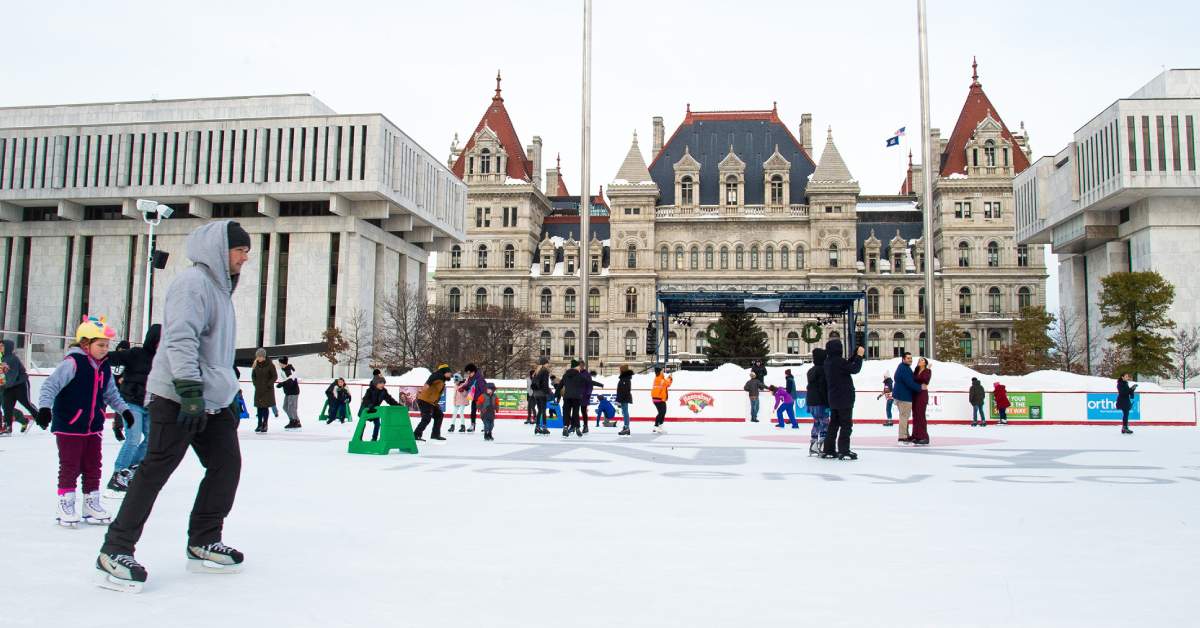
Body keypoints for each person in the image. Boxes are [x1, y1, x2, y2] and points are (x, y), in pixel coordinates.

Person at [99, 220, 252, 592]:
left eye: (247, 252)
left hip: (210, 399)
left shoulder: (220, 289)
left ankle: (203, 538)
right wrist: (189, 391)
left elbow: (215, 352)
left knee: (226, 464)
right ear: (219, 249)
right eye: (239, 251)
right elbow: (180, 339)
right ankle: (115, 548)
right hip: (177, 397)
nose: (244, 259)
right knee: (154, 470)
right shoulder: (193, 284)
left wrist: (225, 395)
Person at [36, 316, 134, 528]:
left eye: (107, 346)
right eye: (100, 345)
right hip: (70, 425)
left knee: (93, 466)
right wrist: (44, 408)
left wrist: (124, 411)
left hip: (93, 426)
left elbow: (110, 393)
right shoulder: (73, 363)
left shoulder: (104, 366)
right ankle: (66, 503)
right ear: (85, 344)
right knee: (70, 465)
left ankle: (91, 503)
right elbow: (49, 386)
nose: (105, 349)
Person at [103, 324, 161, 497]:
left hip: (151, 406)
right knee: (133, 438)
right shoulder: (136, 354)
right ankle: (118, 473)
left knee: (152, 439)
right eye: (159, 341)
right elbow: (111, 357)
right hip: (131, 403)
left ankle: (132, 468)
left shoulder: (164, 359)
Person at [820, 338, 864, 460]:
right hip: (844, 397)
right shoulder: (839, 362)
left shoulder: (828, 362)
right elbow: (854, 369)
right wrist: (859, 356)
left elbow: (846, 365)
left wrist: (854, 355)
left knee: (833, 424)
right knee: (846, 425)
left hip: (833, 398)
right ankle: (844, 450)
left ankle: (828, 449)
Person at [2, 339, 39, 434]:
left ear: (7, 347)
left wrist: (4, 385)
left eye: (2, 346)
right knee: (6, 406)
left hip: (20, 384)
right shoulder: (3, 357)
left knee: (26, 403)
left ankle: (41, 419)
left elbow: (12, 375)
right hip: (8, 385)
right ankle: (8, 427)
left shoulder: (13, 359)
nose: (0, 347)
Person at [413, 365, 452, 442]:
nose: (450, 375)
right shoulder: (438, 376)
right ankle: (416, 435)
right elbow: (432, 378)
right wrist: (427, 384)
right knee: (426, 418)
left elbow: (436, 393)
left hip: (431, 402)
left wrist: (436, 403)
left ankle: (435, 434)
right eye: (449, 373)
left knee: (439, 415)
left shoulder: (442, 379)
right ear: (444, 372)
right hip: (425, 400)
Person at [806, 348, 829, 456]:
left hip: (811, 401)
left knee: (816, 422)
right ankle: (822, 445)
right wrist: (827, 402)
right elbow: (823, 388)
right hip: (820, 401)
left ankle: (813, 444)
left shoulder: (810, 371)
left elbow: (809, 387)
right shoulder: (823, 370)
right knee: (824, 422)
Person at [892, 353, 919, 443]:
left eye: (911, 358)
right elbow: (909, 382)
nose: (910, 360)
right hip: (904, 397)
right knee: (904, 417)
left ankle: (905, 434)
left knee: (904, 417)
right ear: (903, 359)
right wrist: (920, 388)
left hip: (901, 395)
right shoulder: (904, 368)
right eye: (908, 358)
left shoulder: (903, 367)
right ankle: (902, 436)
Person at [250, 349, 276, 433]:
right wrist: (255, 383)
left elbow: (274, 376)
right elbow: (253, 375)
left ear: (263, 357)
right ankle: (259, 424)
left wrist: (269, 384)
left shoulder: (270, 365)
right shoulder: (255, 364)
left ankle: (265, 424)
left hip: (267, 390)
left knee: (265, 407)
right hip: (258, 389)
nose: (258, 358)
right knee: (259, 408)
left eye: (259, 356)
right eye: (257, 357)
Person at [559, 359, 585, 438]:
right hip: (576, 397)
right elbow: (588, 382)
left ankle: (565, 428)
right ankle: (577, 429)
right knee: (575, 413)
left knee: (566, 412)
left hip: (567, 397)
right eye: (578, 366)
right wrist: (599, 384)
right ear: (576, 367)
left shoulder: (565, 375)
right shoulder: (580, 375)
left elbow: (560, 386)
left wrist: (556, 396)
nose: (580, 368)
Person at [275, 357, 301, 430]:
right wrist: (282, 383)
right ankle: (293, 420)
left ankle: (295, 421)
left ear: (283, 363)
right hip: (288, 392)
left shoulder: (290, 370)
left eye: (280, 363)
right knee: (285, 407)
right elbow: (286, 380)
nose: (279, 364)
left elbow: (291, 382)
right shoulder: (284, 370)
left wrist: (282, 384)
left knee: (292, 408)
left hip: (293, 392)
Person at [911, 357, 932, 446]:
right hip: (915, 394)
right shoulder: (916, 371)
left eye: (922, 360)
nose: (920, 361)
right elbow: (913, 380)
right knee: (915, 415)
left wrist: (916, 381)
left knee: (921, 415)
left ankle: (924, 437)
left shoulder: (927, 371)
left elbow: (925, 380)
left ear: (925, 363)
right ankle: (916, 436)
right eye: (919, 360)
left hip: (922, 394)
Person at [462, 363, 486, 433]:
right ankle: (472, 425)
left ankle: (485, 425)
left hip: (481, 398)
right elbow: (469, 386)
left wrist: (482, 398)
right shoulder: (470, 378)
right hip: (474, 398)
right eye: (467, 373)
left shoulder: (480, 378)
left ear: (473, 371)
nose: (468, 374)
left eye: (469, 373)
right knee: (472, 412)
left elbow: (483, 389)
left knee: (483, 413)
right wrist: (464, 388)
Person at [530, 357, 551, 435]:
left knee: (539, 410)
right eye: (547, 363)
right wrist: (547, 392)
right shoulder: (545, 371)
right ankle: (544, 427)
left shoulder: (536, 372)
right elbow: (545, 383)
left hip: (536, 394)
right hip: (542, 393)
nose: (548, 364)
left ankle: (537, 427)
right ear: (545, 363)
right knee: (543, 411)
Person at [651, 366, 673, 433]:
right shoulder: (660, 379)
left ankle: (660, 426)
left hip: (656, 398)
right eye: (662, 371)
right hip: (659, 398)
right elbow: (668, 384)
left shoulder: (658, 378)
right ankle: (656, 426)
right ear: (659, 372)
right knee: (662, 412)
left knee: (662, 412)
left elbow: (664, 383)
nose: (663, 371)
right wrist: (670, 377)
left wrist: (668, 378)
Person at [616, 364, 634, 436]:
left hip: (624, 399)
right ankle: (626, 427)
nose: (619, 371)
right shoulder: (624, 378)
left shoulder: (625, 379)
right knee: (624, 413)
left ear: (623, 371)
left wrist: (619, 400)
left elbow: (624, 391)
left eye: (620, 370)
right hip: (623, 398)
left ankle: (626, 428)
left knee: (625, 413)